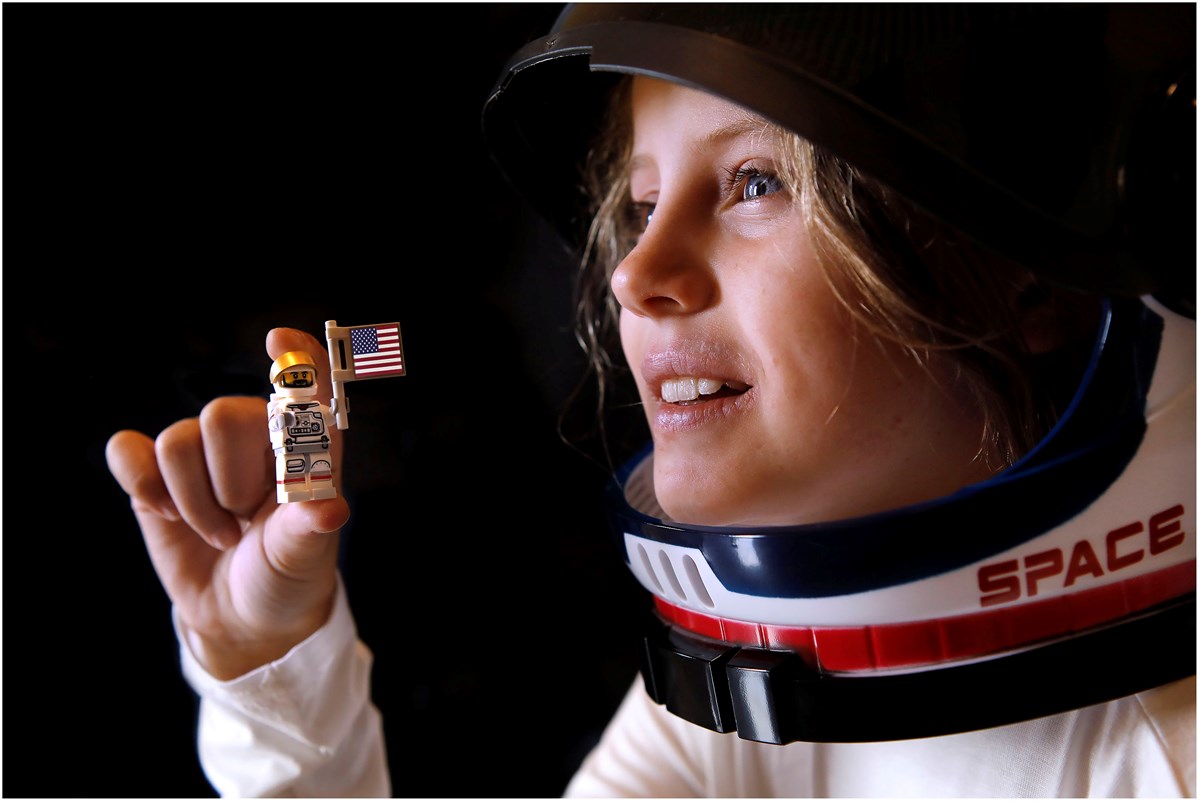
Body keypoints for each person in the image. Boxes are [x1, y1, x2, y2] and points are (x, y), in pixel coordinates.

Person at [105, 4, 1195, 797]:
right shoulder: (755, 704)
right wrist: (270, 667)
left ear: (1034, 278)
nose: (633, 273)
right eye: (640, 203)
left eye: (756, 182)